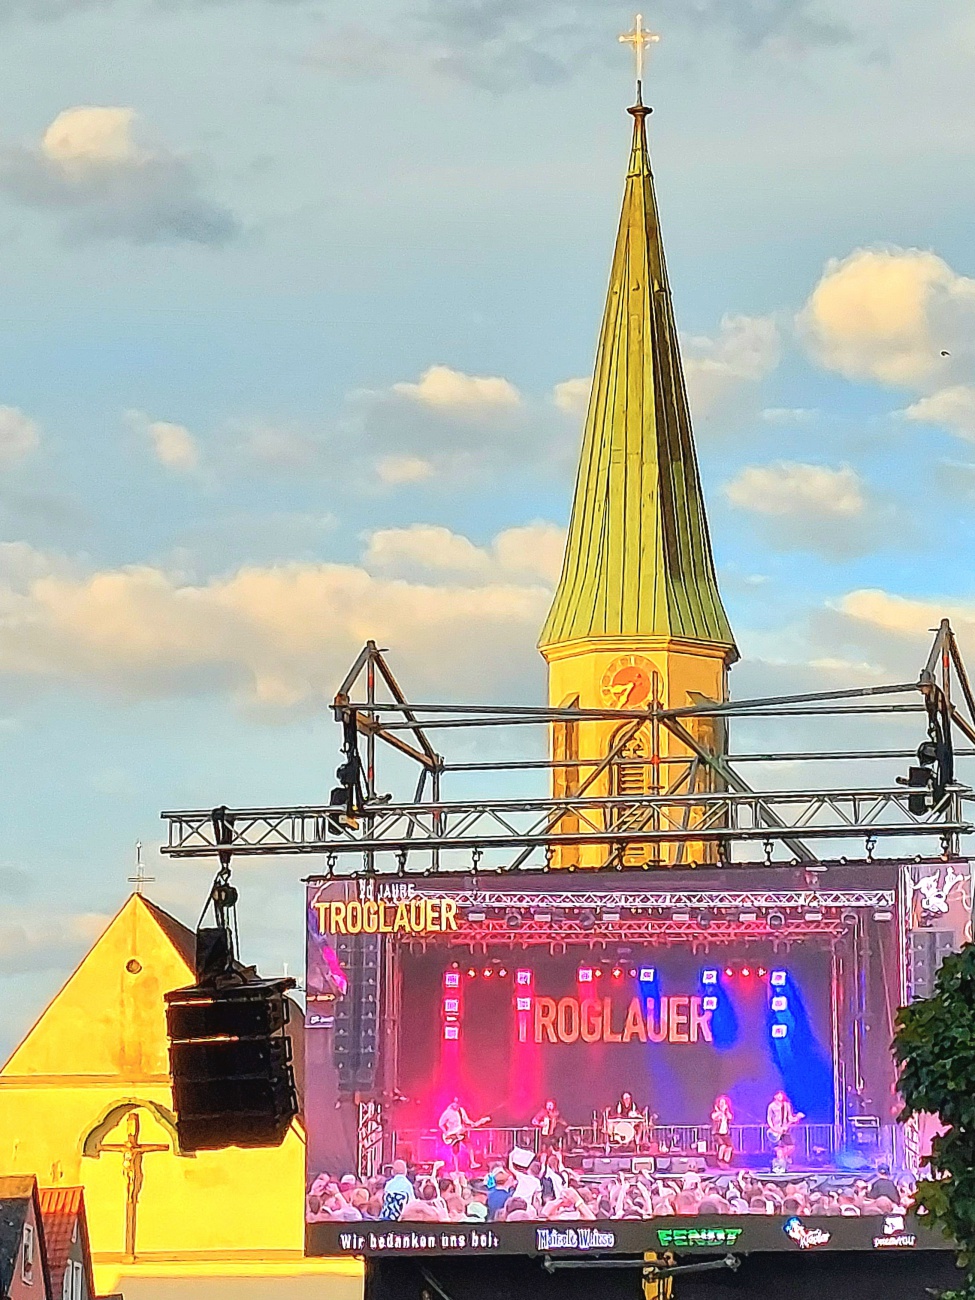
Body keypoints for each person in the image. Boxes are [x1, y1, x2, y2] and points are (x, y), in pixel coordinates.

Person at [438, 1096, 483, 1170]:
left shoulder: (461, 1110)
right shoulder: (447, 1113)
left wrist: (472, 1123)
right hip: (453, 1134)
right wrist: (446, 1133)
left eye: (457, 1103)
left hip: (461, 1132)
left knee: (469, 1146)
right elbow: (440, 1124)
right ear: (452, 1103)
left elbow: (466, 1120)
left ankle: (473, 1163)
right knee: (455, 1152)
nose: (456, 1105)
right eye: (454, 1103)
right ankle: (456, 1169)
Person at [766, 1091, 804, 1171]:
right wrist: (773, 1128)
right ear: (775, 1096)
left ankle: (783, 1159)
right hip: (775, 1130)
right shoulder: (771, 1106)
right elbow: (769, 1118)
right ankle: (780, 1166)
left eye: (781, 1095)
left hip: (785, 1130)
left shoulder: (786, 1105)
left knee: (791, 1146)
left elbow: (790, 1117)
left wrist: (797, 1118)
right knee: (778, 1148)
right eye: (778, 1095)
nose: (780, 1096)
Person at [711, 1094, 734, 1166]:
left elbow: (730, 1117)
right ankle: (719, 1159)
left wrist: (726, 1111)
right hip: (717, 1133)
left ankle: (725, 1161)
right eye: (721, 1103)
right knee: (723, 1146)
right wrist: (720, 1111)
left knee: (729, 1147)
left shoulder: (726, 1113)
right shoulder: (716, 1113)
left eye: (724, 1103)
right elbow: (713, 1117)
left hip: (725, 1133)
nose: (722, 1105)